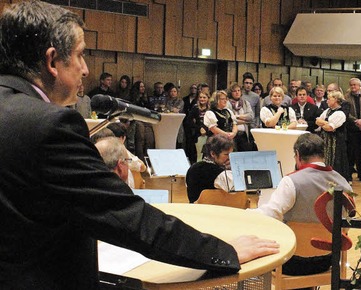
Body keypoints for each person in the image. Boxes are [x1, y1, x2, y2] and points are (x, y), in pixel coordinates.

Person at [0, 2, 278, 288]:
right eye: (81, 55)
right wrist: (223, 252)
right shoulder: (51, 126)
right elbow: (126, 217)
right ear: (52, 61)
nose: (85, 69)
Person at [250, 133, 353, 276]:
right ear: (324, 155)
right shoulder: (343, 183)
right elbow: (346, 226)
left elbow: (270, 215)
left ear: (298, 155)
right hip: (328, 260)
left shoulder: (291, 181)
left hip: (291, 262)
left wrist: (245, 213)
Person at [185, 135, 235, 203]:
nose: (230, 158)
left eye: (231, 154)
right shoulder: (217, 173)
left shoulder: (193, 167)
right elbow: (236, 187)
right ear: (213, 154)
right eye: (226, 154)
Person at [316, 91, 350, 181]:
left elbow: (329, 128)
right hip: (326, 141)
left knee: (335, 161)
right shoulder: (328, 111)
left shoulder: (340, 113)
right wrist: (326, 123)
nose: (327, 101)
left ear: (335, 100)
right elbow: (317, 121)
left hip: (336, 142)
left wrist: (324, 123)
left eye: (329, 99)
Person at [184, 92, 210, 163]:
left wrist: (206, 129)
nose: (202, 99)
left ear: (208, 98)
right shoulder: (195, 107)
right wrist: (199, 128)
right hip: (198, 134)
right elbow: (188, 121)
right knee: (199, 155)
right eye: (200, 97)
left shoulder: (211, 108)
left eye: (204, 97)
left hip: (209, 133)